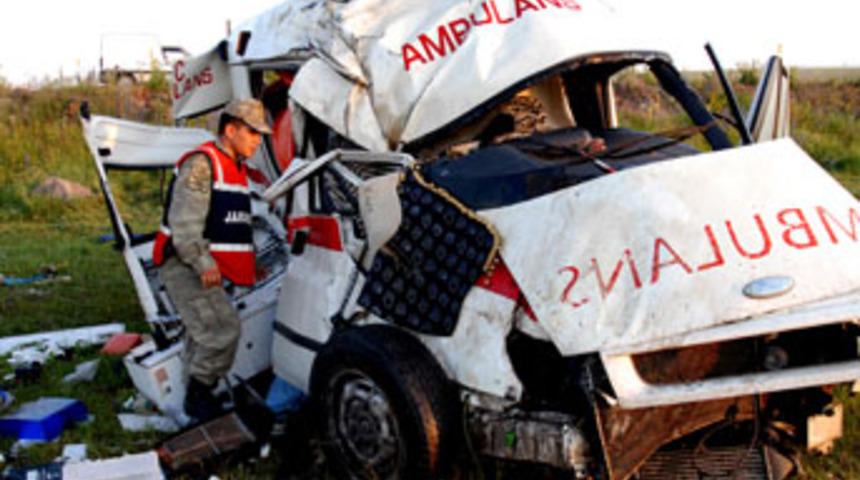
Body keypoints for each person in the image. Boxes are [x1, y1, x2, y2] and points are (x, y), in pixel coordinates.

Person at [152, 98, 272, 421]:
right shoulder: (203, 164)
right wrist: (203, 263)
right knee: (222, 331)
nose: (258, 140)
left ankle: (194, 398)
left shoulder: (236, 168)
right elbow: (185, 224)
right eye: (252, 132)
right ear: (230, 129)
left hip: (198, 263)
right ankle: (199, 398)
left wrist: (248, 264)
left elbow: (231, 224)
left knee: (201, 333)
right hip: (184, 263)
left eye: (261, 134)